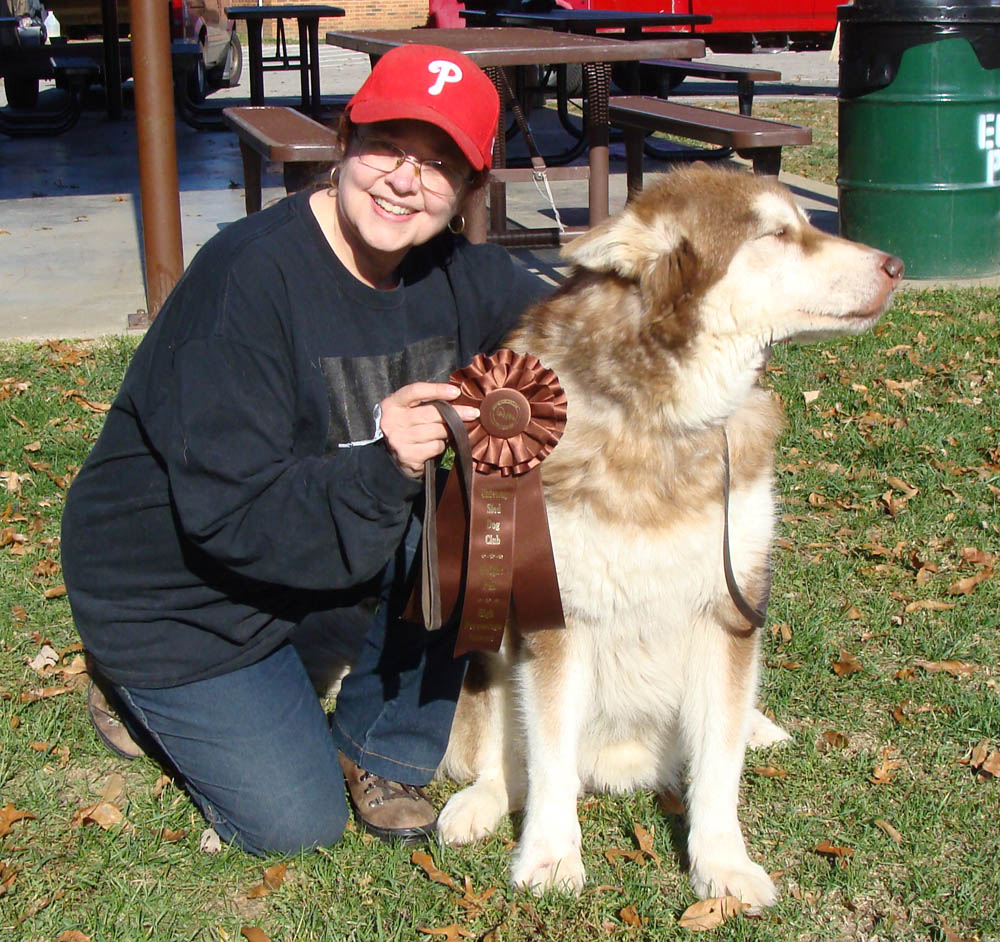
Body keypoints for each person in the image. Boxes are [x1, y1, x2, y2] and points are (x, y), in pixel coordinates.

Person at [61, 44, 547, 856]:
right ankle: (125, 686)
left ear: (468, 190)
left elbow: (581, 320)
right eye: (388, 146)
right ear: (345, 141)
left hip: (313, 545)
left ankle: (380, 747)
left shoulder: (457, 273)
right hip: (182, 593)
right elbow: (228, 512)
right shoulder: (246, 279)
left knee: (481, 525)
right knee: (295, 825)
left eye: (439, 165)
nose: (404, 180)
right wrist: (383, 463)